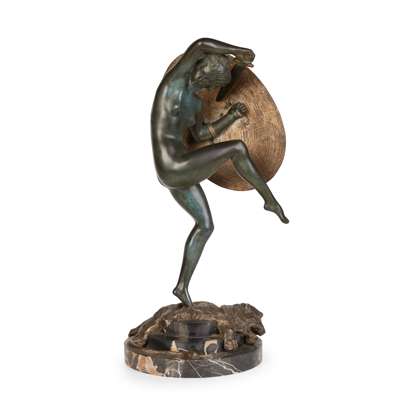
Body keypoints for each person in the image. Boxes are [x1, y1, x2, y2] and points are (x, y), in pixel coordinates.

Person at [151, 38, 289, 306]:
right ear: (202, 73)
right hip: (174, 166)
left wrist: (232, 117)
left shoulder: (195, 102)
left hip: (176, 171)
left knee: (205, 226)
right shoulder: (172, 85)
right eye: (211, 84)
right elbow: (200, 44)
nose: (210, 89)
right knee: (237, 148)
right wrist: (238, 52)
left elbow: (201, 134)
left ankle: (181, 286)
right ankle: (269, 200)